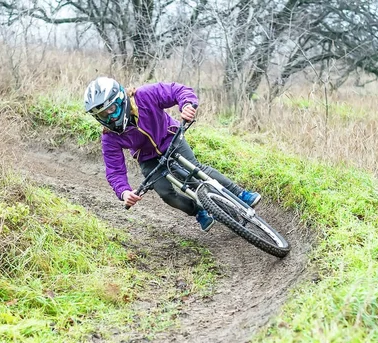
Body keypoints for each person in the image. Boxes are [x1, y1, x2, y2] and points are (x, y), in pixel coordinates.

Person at [83, 77, 261, 232]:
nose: (111, 118)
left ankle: (240, 194)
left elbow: (178, 90)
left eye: (112, 109)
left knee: (196, 171)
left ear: (121, 99)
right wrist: (124, 192)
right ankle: (198, 211)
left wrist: (187, 105)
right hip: (147, 158)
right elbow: (115, 171)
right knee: (166, 193)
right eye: (103, 116)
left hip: (170, 137)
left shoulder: (144, 96)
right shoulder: (109, 137)